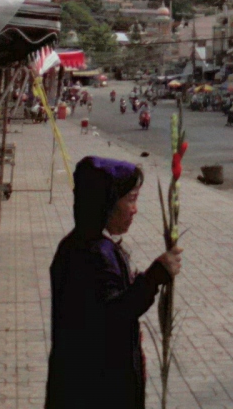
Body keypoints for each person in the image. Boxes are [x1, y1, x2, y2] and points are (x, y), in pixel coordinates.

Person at [45, 156, 183, 409]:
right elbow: (113, 315)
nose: (135, 209)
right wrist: (153, 278)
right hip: (96, 389)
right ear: (106, 202)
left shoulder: (77, 245)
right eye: (131, 199)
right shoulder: (93, 254)